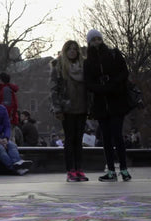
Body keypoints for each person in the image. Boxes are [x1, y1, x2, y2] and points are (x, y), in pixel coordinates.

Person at [83, 29, 132, 182]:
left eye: (98, 39)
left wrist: (112, 84)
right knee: (106, 138)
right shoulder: (88, 61)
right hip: (100, 103)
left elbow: (124, 72)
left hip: (116, 100)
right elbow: (88, 82)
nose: (96, 42)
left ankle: (123, 169)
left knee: (117, 135)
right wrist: (99, 88)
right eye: (93, 40)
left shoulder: (114, 54)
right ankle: (111, 170)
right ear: (89, 42)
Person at [50, 40, 90, 182]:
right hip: (66, 108)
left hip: (82, 107)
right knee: (70, 139)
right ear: (65, 51)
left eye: (75, 49)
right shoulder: (59, 67)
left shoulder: (84, 67)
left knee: (79, 140)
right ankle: (70, 171)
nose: (73, 51)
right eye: (70, 49)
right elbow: (54, 90)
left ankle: (79, 169)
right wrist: (57, 109)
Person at [0, 72, 20, 143]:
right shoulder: (6, 89)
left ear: (1, 80)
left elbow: (7, 106)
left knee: (9, 139)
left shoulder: (5, 90)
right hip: (9, 119)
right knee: (10, 138)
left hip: (7, 120)